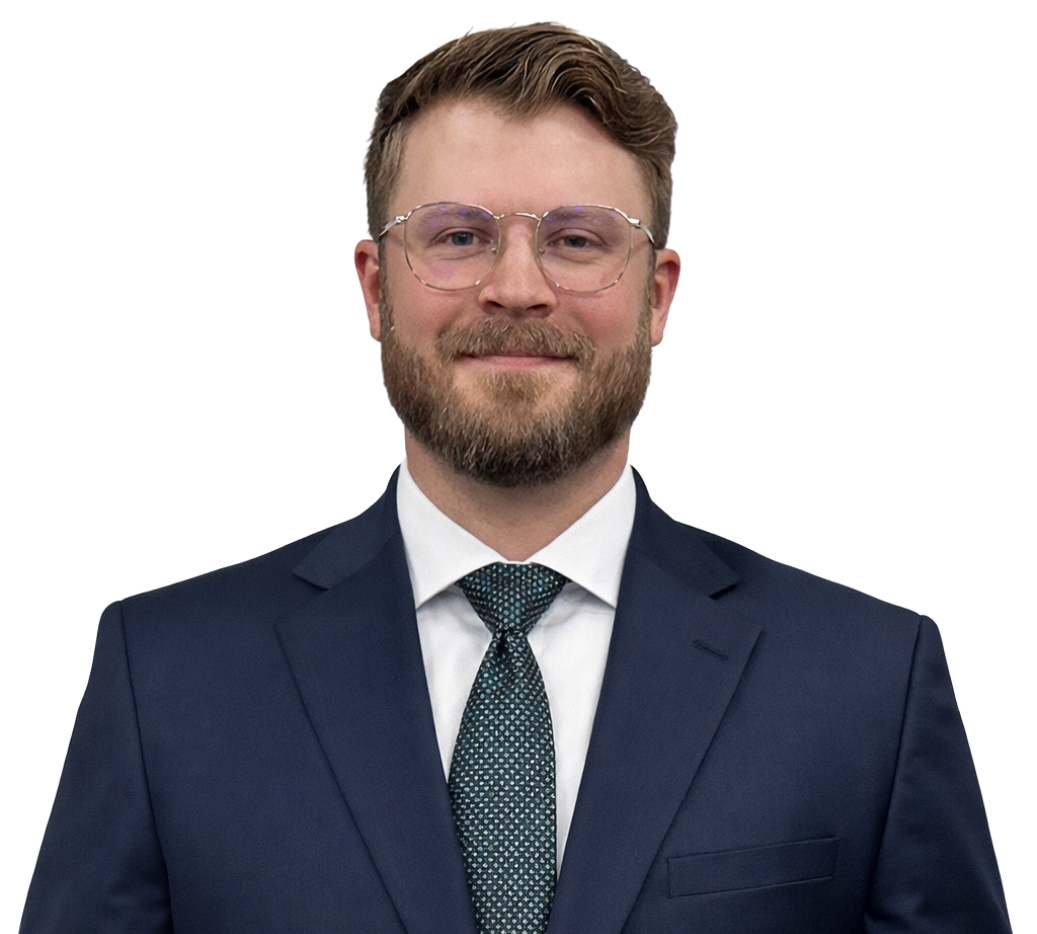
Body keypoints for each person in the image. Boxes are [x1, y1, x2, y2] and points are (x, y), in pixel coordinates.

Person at [20, 23, 1012, 934]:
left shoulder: (866, 689)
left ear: (656, 295)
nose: (517, 286)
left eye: (578, 239)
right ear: (375, 287)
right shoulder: (165, 684)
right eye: (457, 235)